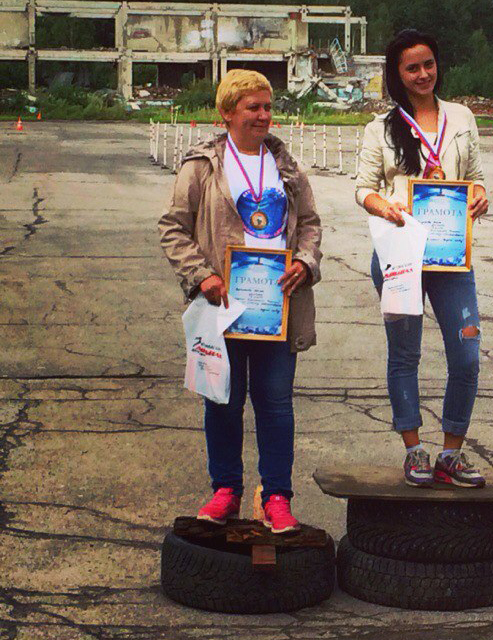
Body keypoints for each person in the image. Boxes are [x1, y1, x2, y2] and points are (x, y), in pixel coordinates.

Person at [158, 69, 322, 533]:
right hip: (223, 305)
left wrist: (305, 262)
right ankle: (226, 490)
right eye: (253, 107)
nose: (263, 115)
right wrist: (202, 275)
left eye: (268, 107)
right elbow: (173, 228)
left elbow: (310, 224)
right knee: (223, 402)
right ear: (227, 113)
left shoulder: (287, 166)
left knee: (275, 404)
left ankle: (277, 497)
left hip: (277, 306)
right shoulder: (202, 166)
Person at [355, 29, 490, 488]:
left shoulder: (462, 117)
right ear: (397, 74)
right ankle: (414, 451)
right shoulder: (381, 127)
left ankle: (451, 454)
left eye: (428, 64)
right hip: (401, 256)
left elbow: (475, 176)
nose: (422, 74)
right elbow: (363, 188)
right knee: (405, 355)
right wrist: (384, 207)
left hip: (453, 257)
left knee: (467, 356)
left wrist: (481, 194)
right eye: (411, 68)